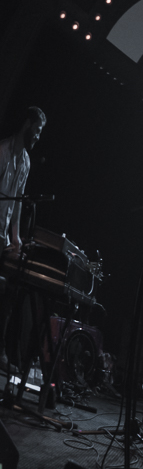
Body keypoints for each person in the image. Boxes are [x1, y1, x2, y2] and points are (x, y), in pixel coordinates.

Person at [0, 106, 47, 373]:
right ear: (27, 124)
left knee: (12, 290)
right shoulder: (2, 153)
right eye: (37, 130)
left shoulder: (26, 162)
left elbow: (17, 206)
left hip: (4, 238)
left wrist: (15, 238)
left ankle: (3, 351)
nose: (38, 137)